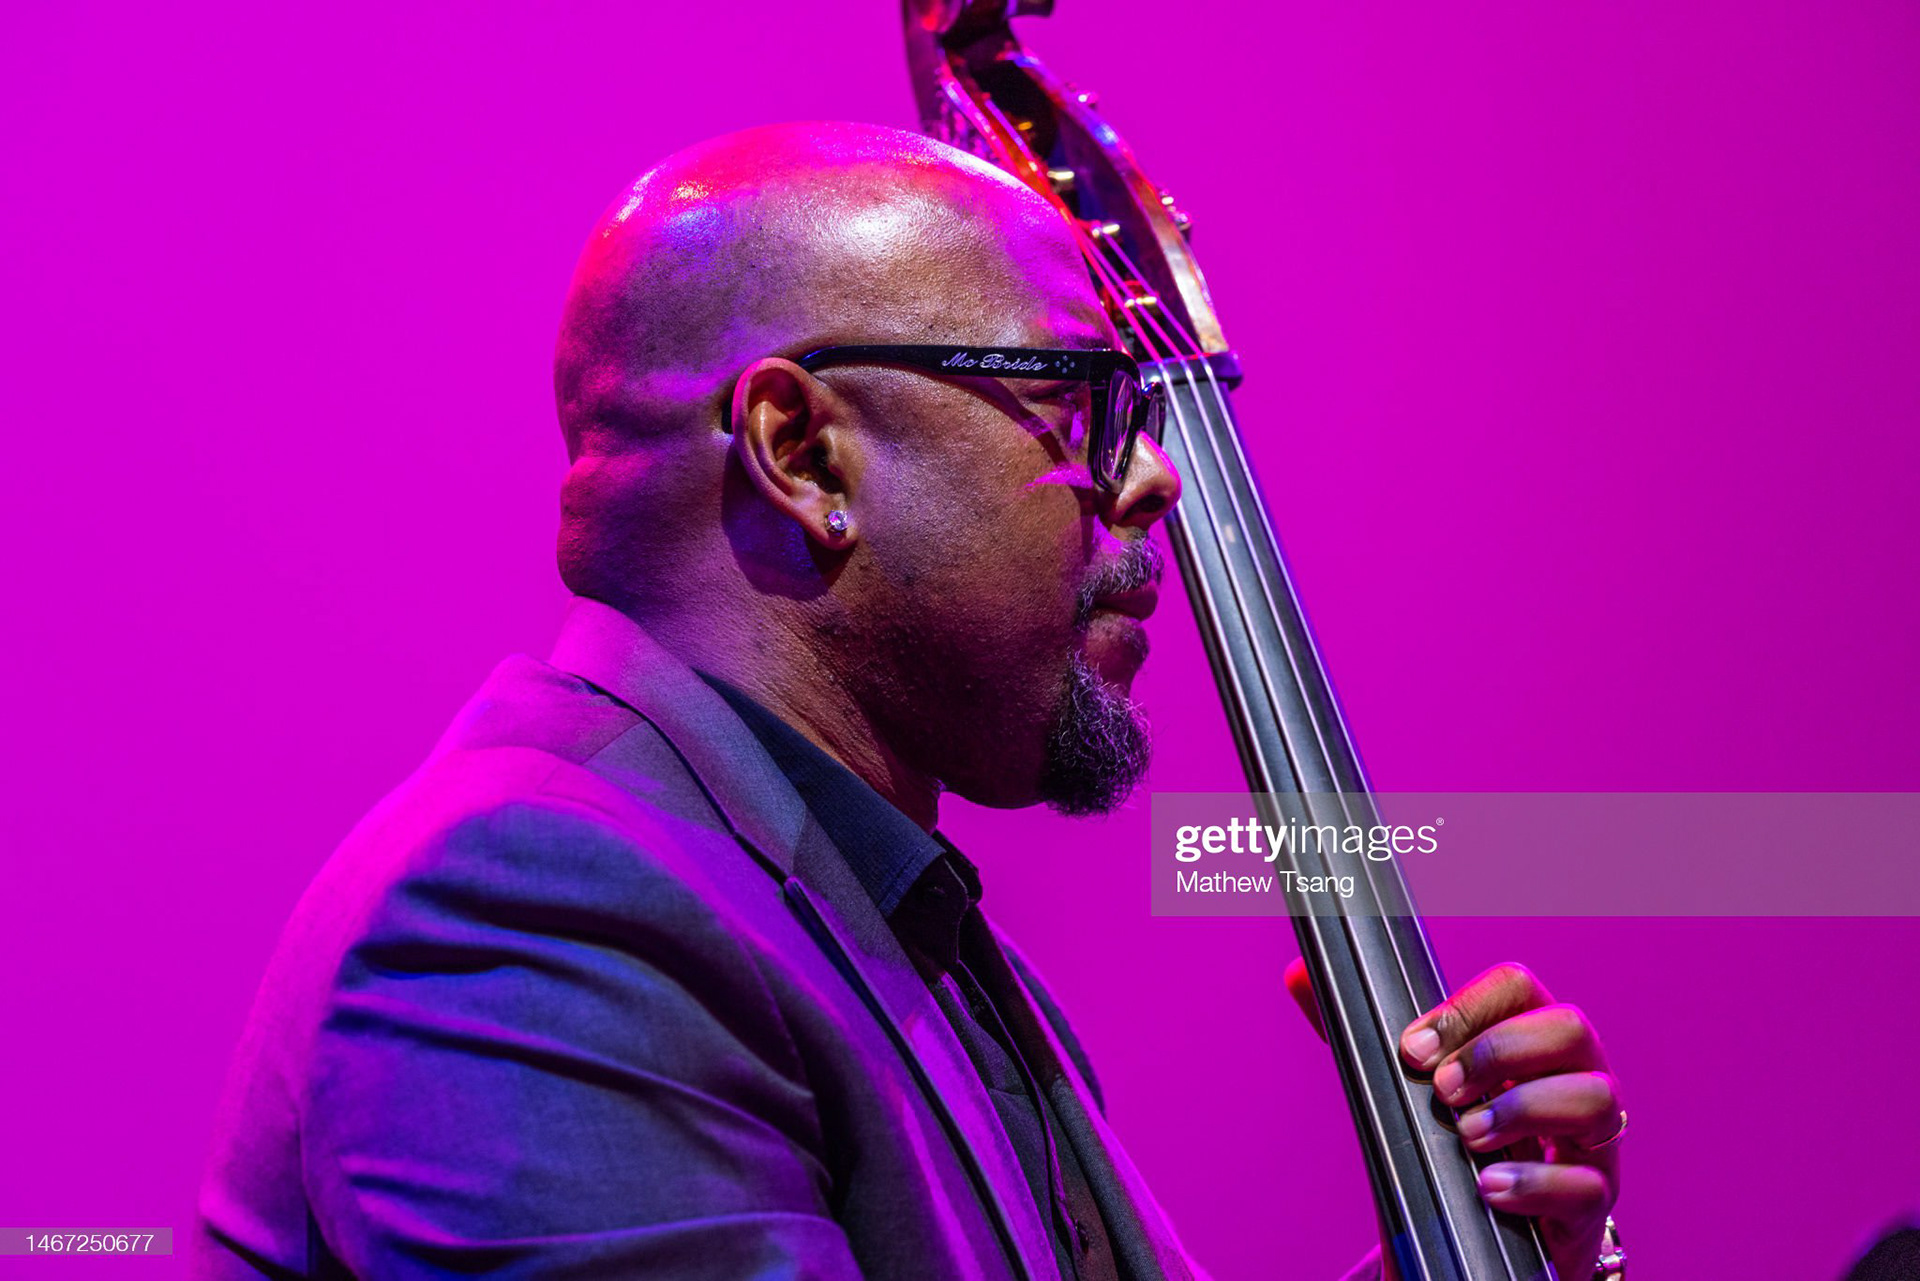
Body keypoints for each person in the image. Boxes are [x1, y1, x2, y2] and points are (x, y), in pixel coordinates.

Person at [194, 121, 1625, 1280]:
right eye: (1081, 399)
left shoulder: (883, 927)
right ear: (802, 452)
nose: (1152, 478)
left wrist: (1485, 1253)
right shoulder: (542, 916)